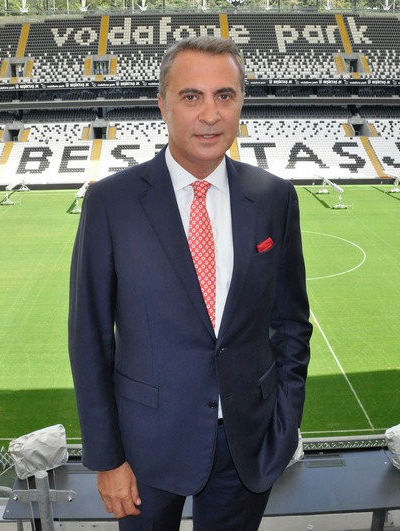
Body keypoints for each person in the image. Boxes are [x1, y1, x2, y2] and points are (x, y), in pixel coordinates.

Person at [68, 35, 312, 530]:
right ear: (162, 104)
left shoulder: (273, 197)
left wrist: (283, 424)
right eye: (191, 96)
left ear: (241, 102)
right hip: (144, 448)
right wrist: (107, 457)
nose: (210, 114)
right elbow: (89, 338)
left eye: (225, 95)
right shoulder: (112, 202)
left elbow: (291, 322)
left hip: (248, 444)